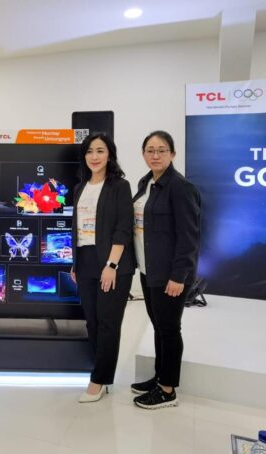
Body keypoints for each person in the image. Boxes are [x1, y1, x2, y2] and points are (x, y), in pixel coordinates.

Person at [131, 130, 201, 409]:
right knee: (159, 326)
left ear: (172, 154)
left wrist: (178, 276)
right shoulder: (145, 183)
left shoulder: (181, 188)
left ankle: (168, 390)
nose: (155, 155)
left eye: (161, 150)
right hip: (148, 270)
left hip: (170, 274)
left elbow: (189, 237)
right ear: (143, 154)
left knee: (169, 329)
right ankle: (160, 376)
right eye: (150, 150)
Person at [71, 132, 135, 403]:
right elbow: (77, 230)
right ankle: (102, 374)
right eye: (89, 151)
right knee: (93, 322)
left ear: (110, 155)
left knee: (108, 323)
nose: (94, 156)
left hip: (112, 263)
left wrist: (111, 265)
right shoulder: (80, 187)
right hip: (85, 260)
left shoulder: (119, 186)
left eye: (100, 151)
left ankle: (98, 380)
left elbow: (123, 228)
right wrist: (75, 263)